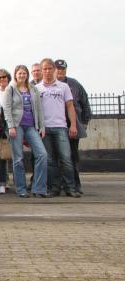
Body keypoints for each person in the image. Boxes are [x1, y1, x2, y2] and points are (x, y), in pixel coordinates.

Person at [36, 58, 81, 197]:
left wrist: (73, 125)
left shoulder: (63, 87)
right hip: (44, 129)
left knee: (66, 158)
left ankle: (70, 188)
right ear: (41, 71)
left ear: (54, 70)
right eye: (45, 69)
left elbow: (70, 106)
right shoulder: (37, 88)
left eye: (50, 68)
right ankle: (55, 188)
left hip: (61, 127)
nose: (47, 71)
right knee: (50, 160)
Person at [3, 65, 49, 198]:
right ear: (15, 75)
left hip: (31, 126)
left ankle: (39, 188)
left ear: (27, 75)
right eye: (19, 73)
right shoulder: (10, 89)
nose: (22, 75)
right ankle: (21, 189)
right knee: (18, 158)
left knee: (42, 154)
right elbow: (7, 108)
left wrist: (42, 126)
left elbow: (39, 109)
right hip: (16, 126)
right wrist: (10, 126)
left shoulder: (33, 89)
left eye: (24, 73)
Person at [55, 59, 92, 194]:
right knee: (57, 157)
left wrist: (85, 122)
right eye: (58, 69)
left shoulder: (74, 84)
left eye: (62, 69)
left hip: (73, 126)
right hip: (57, 125)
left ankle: (75, 184)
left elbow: (84, 102)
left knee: (72, 156)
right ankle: (58, 184)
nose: (60, 71)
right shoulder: (50, 84)